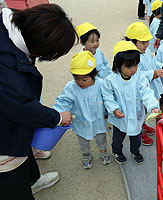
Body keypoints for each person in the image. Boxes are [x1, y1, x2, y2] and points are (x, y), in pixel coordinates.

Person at [0, 4, 76, 199]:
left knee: (24, 149)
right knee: (13, 185)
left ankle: (33, 180)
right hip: (4, 142)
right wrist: (57, 117)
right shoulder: (7, 64)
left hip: (14, 121)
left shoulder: (9, 26)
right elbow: (22, 107)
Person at [101, 41, 160, 165]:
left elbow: (146, 91)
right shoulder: (111, 80)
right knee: (118, 137)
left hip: (136, 112)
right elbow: (107, 96)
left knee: (136, 136)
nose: (133, 69)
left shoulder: (139, 76)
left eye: (136, 65)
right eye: (129, 67)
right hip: (120, 116)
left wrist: (153, 106)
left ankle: (135, 151)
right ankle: (117, 151)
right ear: (118, 65)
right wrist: (114, 109)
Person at [53, 51, 111, 169]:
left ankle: (103, 151)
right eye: (76, 78)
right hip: (81, 121)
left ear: (94, 75)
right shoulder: (71, 87)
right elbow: (63, 101)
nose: (80, 82)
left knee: (101, 138)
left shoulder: (101, 84)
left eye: (84, 79)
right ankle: (86, 154)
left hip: (98, 120)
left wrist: (111, 110)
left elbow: (109, 98)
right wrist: (57, 113)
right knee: (83, 140)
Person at [125, 22, 163, 145]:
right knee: (137, 111)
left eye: (147, 41)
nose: (147, 45)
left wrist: (161, 66)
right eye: (143, 42)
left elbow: (153, 62)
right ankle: (139, 132)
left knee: (144, 110)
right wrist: (155, 73)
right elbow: (136, 75)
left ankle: (143, 125)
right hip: (137, 92)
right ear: (132, 41)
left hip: (147, 89)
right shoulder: (130, 58)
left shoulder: (145, 52)